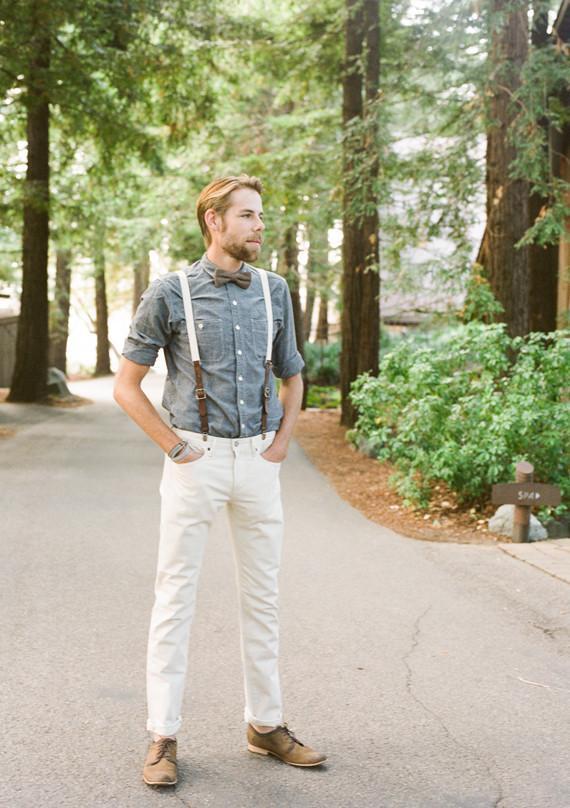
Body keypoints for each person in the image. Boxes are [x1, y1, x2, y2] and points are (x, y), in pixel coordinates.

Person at [113, 174, 326, 786]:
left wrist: (281, 444)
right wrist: (177, 448)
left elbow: (292, 376)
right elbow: (127, 385)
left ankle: (266, 725)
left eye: (261, 215)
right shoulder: (170, 291)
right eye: (249, 215)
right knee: (175, 597)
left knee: (263, 597)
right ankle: (162, 736)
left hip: (259, 461)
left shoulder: (274, 289)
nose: (261, 225)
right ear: (215, 220)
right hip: (195, 460)